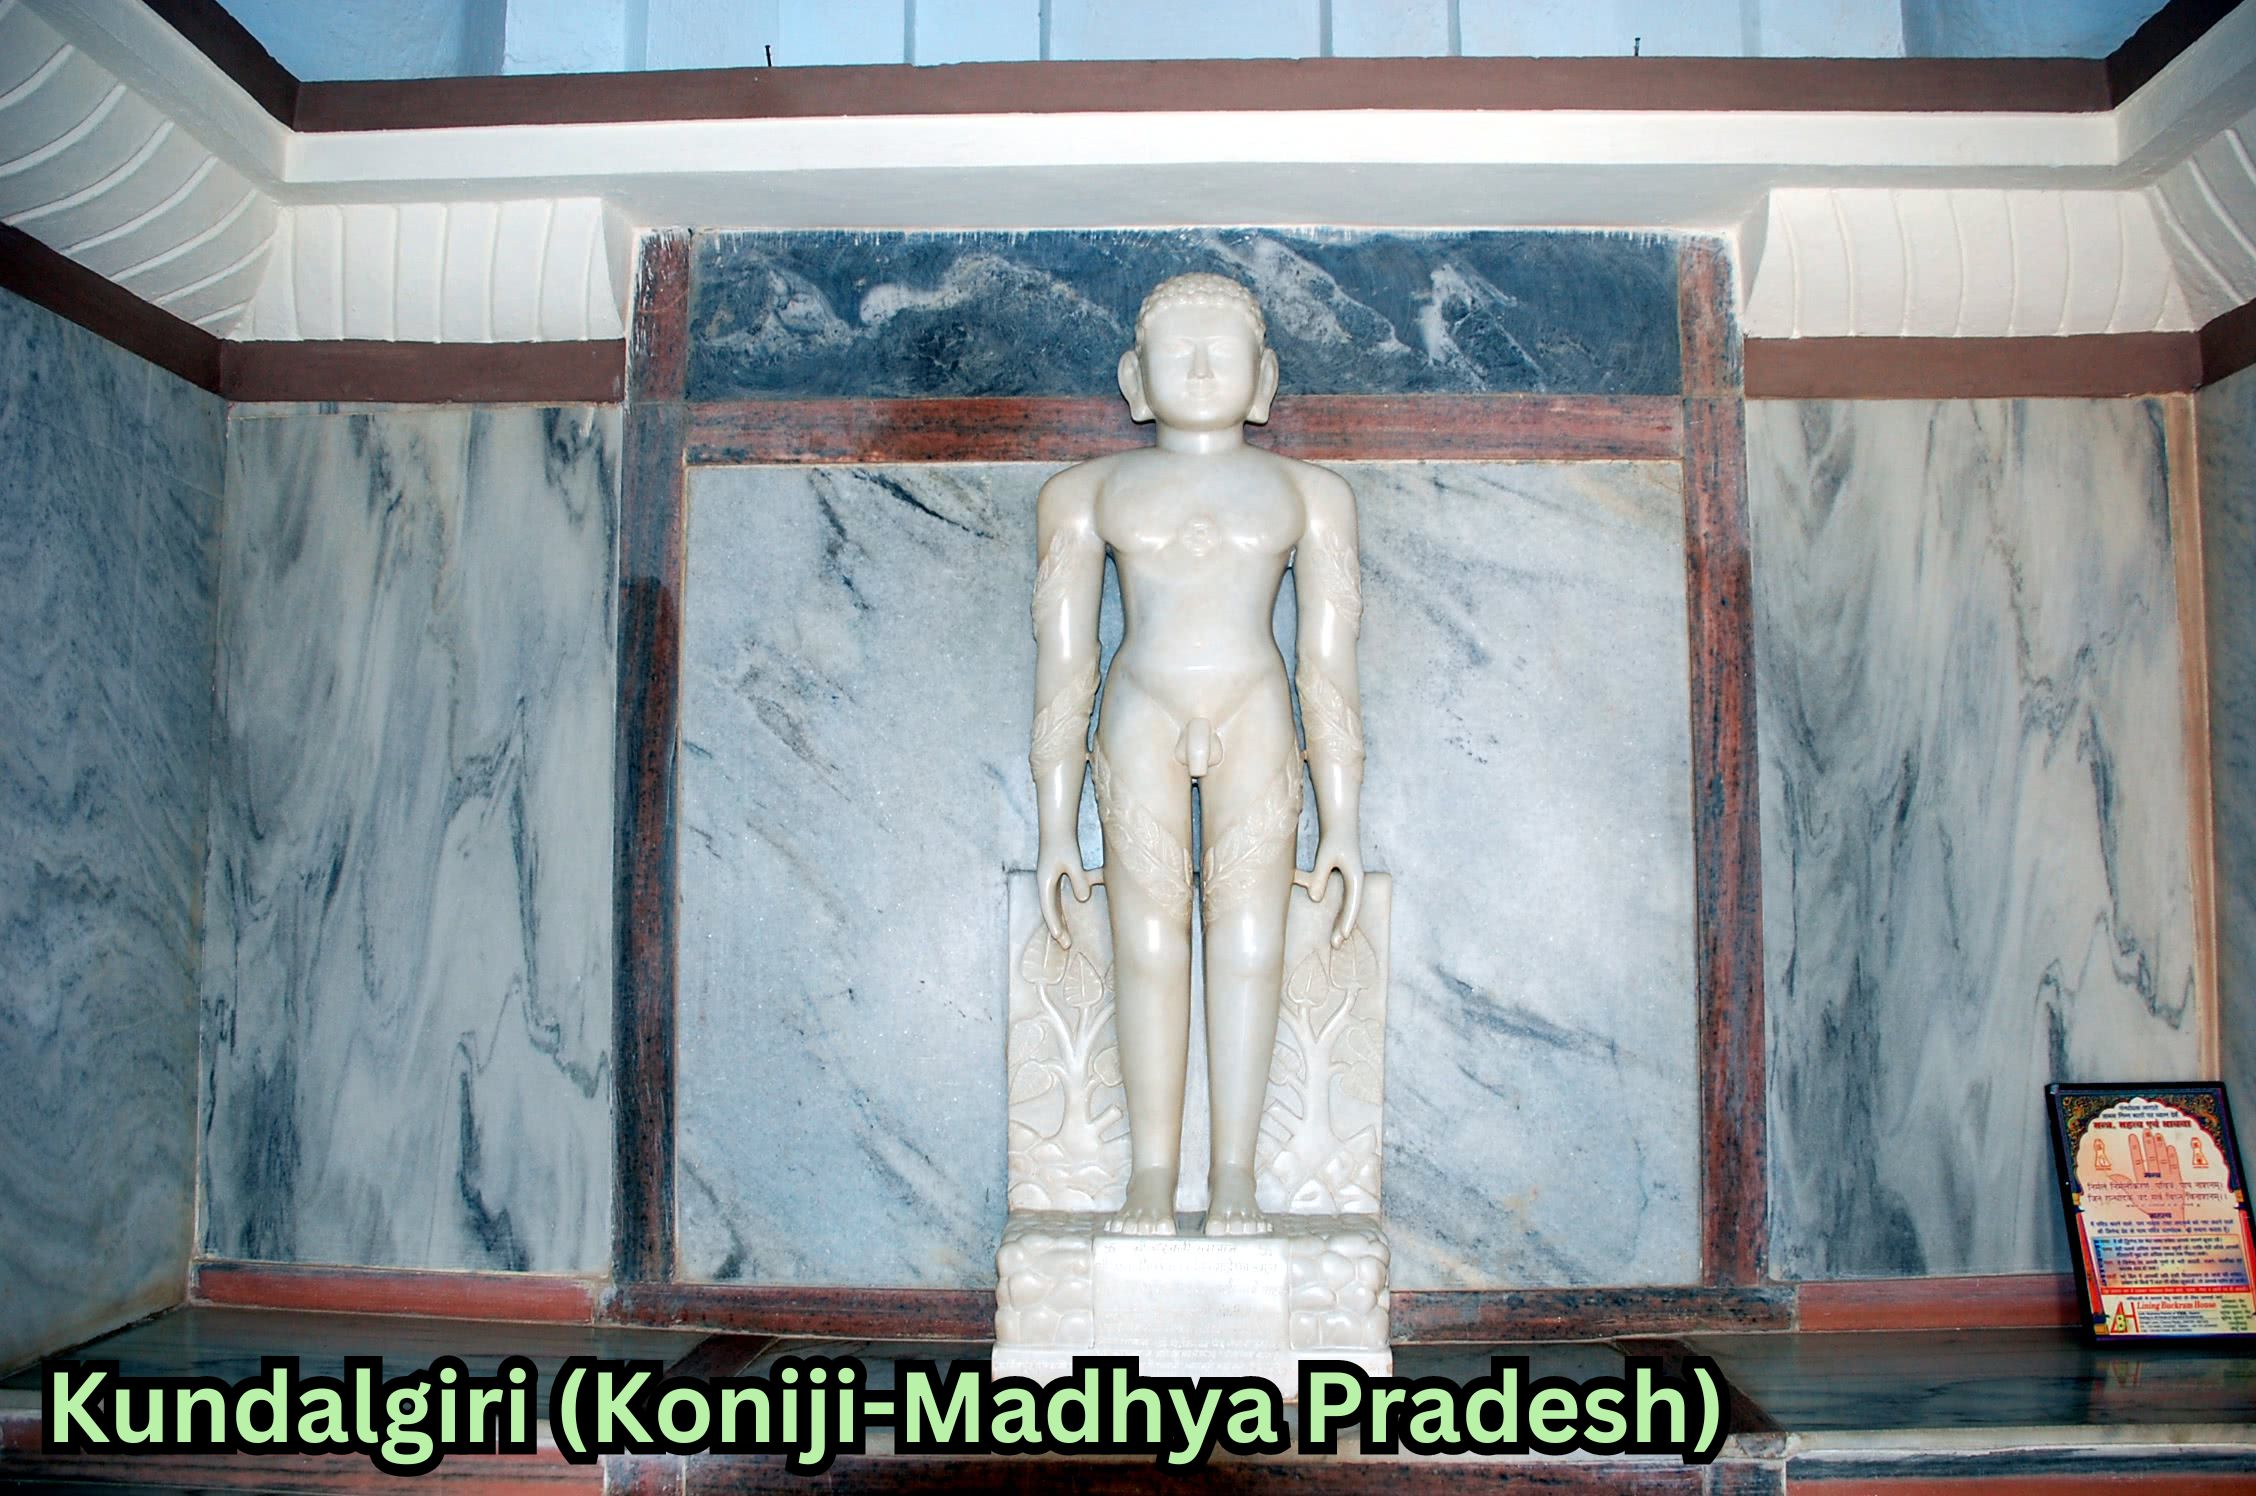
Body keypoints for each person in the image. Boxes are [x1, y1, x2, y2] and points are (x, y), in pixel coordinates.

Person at [1029, 273, 1364, 1238]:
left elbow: (1328, 667)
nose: (1205, 366)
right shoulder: (1084, 494)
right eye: (1179, 350)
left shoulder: (1311, 495)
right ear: (1135, 379)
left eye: (1226, 348)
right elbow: (1065, 665)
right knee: (1145, 942)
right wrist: (1056, 828)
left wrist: (1342, 820)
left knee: (1252, 943)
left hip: (1257, 709)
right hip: (1139, 708)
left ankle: (1234, 1175)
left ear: (1266, 379)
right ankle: (1151, 1171)